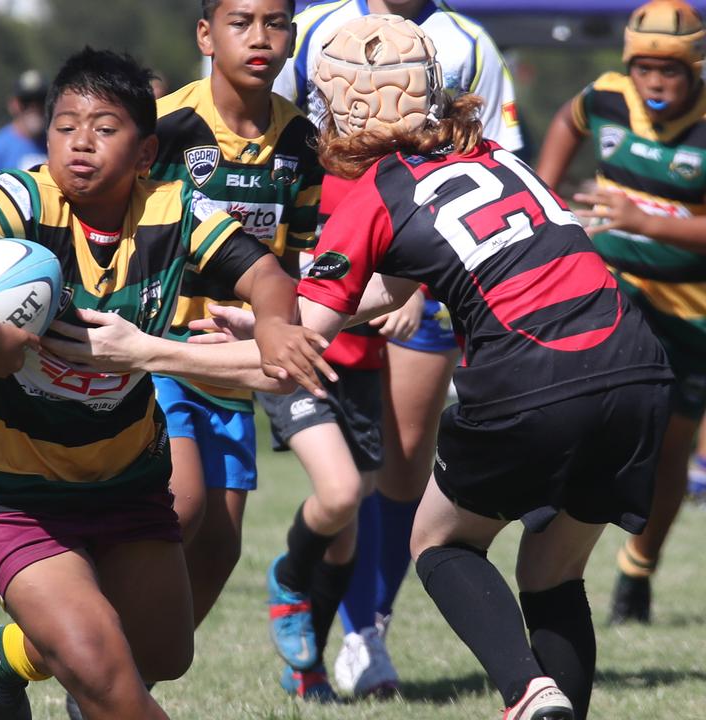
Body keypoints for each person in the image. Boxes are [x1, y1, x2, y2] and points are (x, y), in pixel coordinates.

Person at [46, 16, 673, 720]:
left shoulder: (378, 191)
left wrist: (146, 350)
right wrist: (274, 321)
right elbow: (399, 287)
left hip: (531, 377)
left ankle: (529, 694)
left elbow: (288, 367)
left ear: (343, 106)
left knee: (440, 544)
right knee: (551, 570)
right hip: (638, 368)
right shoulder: (495, 157)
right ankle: (556, 706)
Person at [0, 47, 296, 720]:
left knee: (162, 655)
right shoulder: (24, 200)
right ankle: (60, 646)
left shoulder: (172, 210)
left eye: (104, 128)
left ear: (147, 149)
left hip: (126, 478)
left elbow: (265, 276)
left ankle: (1, 653)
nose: (80, 143)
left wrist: (275, 323)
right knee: (103, 673)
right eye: (65, 125)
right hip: (8, 489)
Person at [274, 0, 526, 698]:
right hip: (339, 253)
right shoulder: (312, 26)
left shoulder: (468, 41)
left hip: (430, 270)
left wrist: (417, 276)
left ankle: (369, 630)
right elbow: (274, 136)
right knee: (349, 475)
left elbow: (498, 161)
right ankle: (343, 635)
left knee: (408, 462)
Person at [150, 0, 356, 702]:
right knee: (181, 509)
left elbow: (299, 256)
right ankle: (97, 647)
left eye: (274, 22)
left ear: (292, 34)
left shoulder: (302, 140)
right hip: (165, 351)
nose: (259, 38)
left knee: (222, 545)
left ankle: (132, 677)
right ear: (206, 34)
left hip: (241, 368)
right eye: (241, 22)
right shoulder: (166, 129)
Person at [535, 0, 706, 627]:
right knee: (578, 395)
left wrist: (640, 219)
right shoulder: (606, 95)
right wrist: (546, 195)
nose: (656, 82)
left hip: (691, 314)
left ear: (696, 69)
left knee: (671, 451)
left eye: (671, 70)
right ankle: (547, 498)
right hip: (610, 288)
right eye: (645, 69)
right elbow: (566, 119)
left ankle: (637, 571)